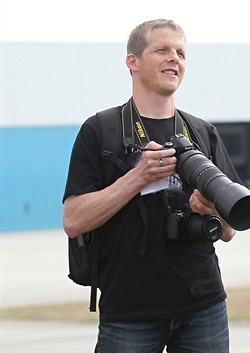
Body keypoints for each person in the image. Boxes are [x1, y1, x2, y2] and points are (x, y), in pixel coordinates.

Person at [63, 19, 239, 352]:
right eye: (162, 50)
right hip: (130, 311)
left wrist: (213, 207)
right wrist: (138, 176)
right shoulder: (101, 130)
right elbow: (73, 220)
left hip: (204, 304)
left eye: (181, 53)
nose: (175, 59)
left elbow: (229, 231)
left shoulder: (201, 132)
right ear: (133, 61)